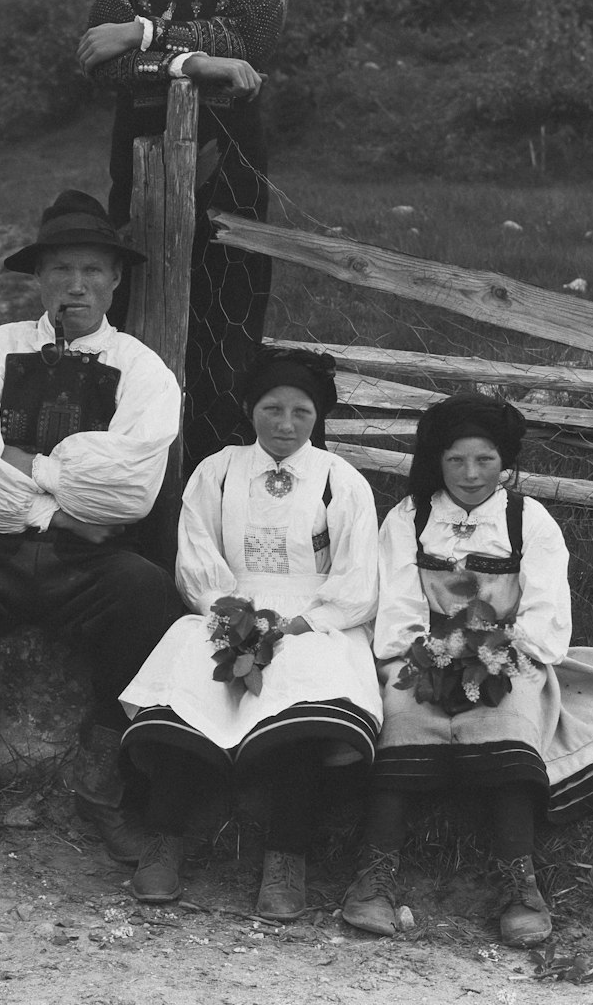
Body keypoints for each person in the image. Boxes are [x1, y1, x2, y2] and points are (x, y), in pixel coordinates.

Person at [0, 190, 185, 863]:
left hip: (91, 559)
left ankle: (105, 781)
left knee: (154, 602)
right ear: (39, 279)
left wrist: (22, 463)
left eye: (90, 272)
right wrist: (61, 492)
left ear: (113, 280)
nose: (74, 286)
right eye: (59, 272)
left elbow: (130, 491)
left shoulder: (143, 373)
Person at [341, 395, 593, 947]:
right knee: (402, 712)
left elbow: (545, 611)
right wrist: (429, 653)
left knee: (507, 711)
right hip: (424, 649)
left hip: (508, 650)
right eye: (456, 460)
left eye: (484, 459)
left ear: (503, 460)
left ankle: (519, 883)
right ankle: (375, 874)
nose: (470, 474)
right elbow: (398, 609)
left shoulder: (527, 518)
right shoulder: (408, 519)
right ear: (438, 460)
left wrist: (495, 650)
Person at [116, 347, 382, 920]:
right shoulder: (217, 472)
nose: (285, 425)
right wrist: (232, 617)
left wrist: (304, 623)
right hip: (228, 609)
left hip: (315, 619)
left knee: (300, 695)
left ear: (319, 417)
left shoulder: (341, 481)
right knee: (192, 684)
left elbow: (358, 580)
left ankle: (286, 859)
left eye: (301, 413)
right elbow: (197, 560)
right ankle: (165, 840)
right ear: (248, 409)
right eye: (272, 409)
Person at [76, 0, 290, 471]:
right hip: (140, 161)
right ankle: (136, 471)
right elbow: (104, 71)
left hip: (233, 163)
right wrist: (201, 61)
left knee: (230, 309)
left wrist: (142, 32)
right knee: (138, 299)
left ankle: (220, 471)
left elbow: (251, 38)